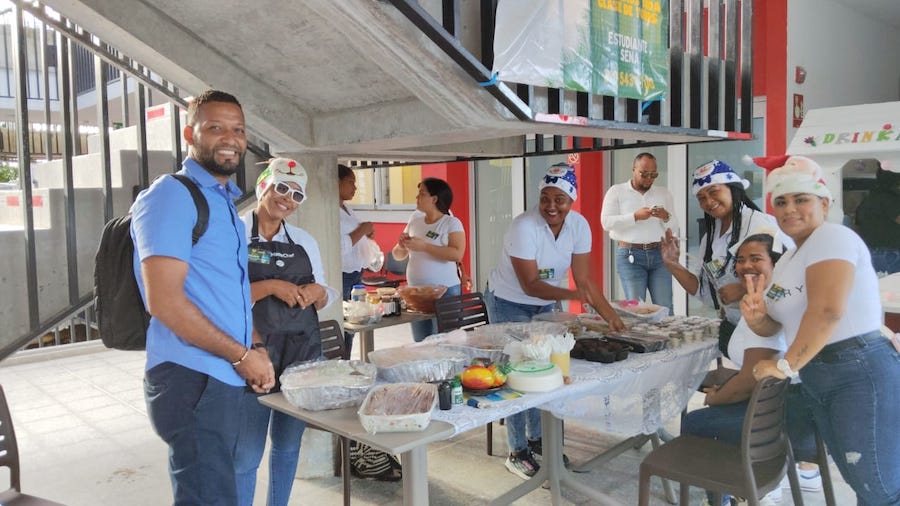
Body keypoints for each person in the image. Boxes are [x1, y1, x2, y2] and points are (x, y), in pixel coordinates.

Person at [131, 90, 275, 504]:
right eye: (215, 127)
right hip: (191, 377)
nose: (230, 138)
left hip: (222, 372)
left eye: (238, 129)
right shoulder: (172, 196)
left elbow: (228, 293)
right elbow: (165, 302)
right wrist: (241, 355)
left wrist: (256, 347)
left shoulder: (224, 201)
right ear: (189, 133)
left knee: (217, 491)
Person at [742, 155, 900, 505]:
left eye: (801, 199)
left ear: (825, 203)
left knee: (881, 487)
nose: (789, 209)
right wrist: (757, 320)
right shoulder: (791, 257)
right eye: (781, 201)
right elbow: (781, 324)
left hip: (856, 369)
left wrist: (785, 366)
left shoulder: (832, 236)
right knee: (864, 481)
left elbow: (827, 312)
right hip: (824, 372)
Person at [484, 162, 625, 480]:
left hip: (546, 302)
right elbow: (529, 284)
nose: (551, 205)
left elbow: (585, 280)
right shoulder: (524, 226)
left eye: (559, 199)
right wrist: (574, 295)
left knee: (548, 369)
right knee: (518, 372)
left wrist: (612, 317)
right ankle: (517, 450)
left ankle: (539, 441)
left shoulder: (579, 226)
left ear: (571, 200)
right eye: (545, 197)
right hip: (509, 302)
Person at [681, 233, 820, 505]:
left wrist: (715, 397)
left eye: (756, 259)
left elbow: (748, 380)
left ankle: (727, 494)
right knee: (717, 396)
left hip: (785, 414)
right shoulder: (769, 298)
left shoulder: (770, 302)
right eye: (741, 260)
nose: (745, 266)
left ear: (777, 264)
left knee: (697, 421)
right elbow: (753, 371)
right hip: (784, 401)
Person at [233, 158, 339, 506]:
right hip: (253, 354)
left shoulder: (304, 241)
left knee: (288, 445)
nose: (287, 199)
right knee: (246, 453)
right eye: (281, 187)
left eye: (297, 194)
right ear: (263, 185)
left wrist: (319, 293)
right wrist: (270, 286)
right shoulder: (232, 232)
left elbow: (325, 293)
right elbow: (220, 298)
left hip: (301, 354)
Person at [661, 160, 793, 357]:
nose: (708, 201)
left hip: (768, 328)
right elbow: (705, 291)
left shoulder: (761, 225)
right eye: (701, 197)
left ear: (733, 189)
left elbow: (790, 273)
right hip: (732, 326)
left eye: (714, 191)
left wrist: (741, 289)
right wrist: (672, 264)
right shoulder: (710, 237)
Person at [600, 152, 677, 313]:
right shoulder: (617, 191)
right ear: (634, 169)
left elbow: (674, 227)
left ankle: (665, 338)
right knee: (636, 309)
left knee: (665, 307)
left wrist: (665, 217)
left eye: (653, 174)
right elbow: (606, 222)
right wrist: (634, 217)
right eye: (644, 173)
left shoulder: (663, 193)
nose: (649, 178)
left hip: (659, 254)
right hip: (630, 254)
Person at [391, 177, 465, 342]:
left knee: (447, 342)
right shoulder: (415, 221)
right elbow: (398, 255)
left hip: (445, 291)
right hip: (416, 293)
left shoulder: (451, 223)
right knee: (422, 342)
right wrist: (402, 245)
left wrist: (425, 247)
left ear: (434, 199)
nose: (417, 198)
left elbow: (456, 254)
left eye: (421, 194)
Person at [338, 164, 376, 352]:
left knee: (354, 322)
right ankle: (341, 362)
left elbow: (355, 236)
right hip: (341, 275)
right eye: (350, 182)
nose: (355, 187)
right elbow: (339, 246)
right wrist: (362, 229)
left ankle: (347, 360)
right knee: (343, 324)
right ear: (335, 182)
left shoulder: (346, 208)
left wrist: (366, 232)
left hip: (355, 273)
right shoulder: (329, 210)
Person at [854, 163, 900, 275]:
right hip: (890, 254)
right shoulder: (890, 199)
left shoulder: (869, 199)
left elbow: (857, 224)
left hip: (872, 252)